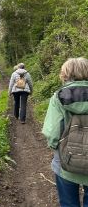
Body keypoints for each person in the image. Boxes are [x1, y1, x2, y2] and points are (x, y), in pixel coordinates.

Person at [42, 57, 88, 207]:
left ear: (65, 74)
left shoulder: (59, 97)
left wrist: (57, 148)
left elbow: (53, 132)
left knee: (69, 203)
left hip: (66, 160)